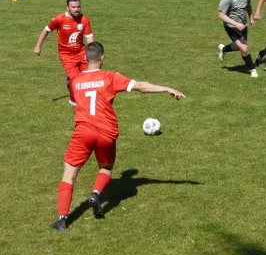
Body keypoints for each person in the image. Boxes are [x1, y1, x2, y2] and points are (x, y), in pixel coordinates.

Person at [50, 41, 185, 231]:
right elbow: (139, 86)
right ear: (102, 58)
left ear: (85, 58)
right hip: (107, 132)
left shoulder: (75, 81)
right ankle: (96, 194)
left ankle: (62, 219)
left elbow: (75, 106)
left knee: (69, 174)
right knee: (105, 167)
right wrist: (166, 88)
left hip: (83, 132)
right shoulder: (109, 77)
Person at [34, 0, 94, 97]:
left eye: (78, 7)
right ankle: (75, 94)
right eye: (73, 7)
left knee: (88, 76)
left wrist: (91, 53)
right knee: (76, 79)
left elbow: (89, 38)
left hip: (81, 52)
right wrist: (38, 46)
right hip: (66, 55)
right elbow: (46, 30)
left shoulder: (84, 20)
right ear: (67, 7)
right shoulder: (59, 19)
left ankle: (83, 93)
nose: (76, 9)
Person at [217, 0, 258, 78]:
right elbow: (221, 14)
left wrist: (251, 17)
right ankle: (252, 69)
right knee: (244, 48)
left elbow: (248, 5)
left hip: (243, 25)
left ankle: (224, 49)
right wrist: (235, 23)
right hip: (231, 26)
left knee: (238, 47)